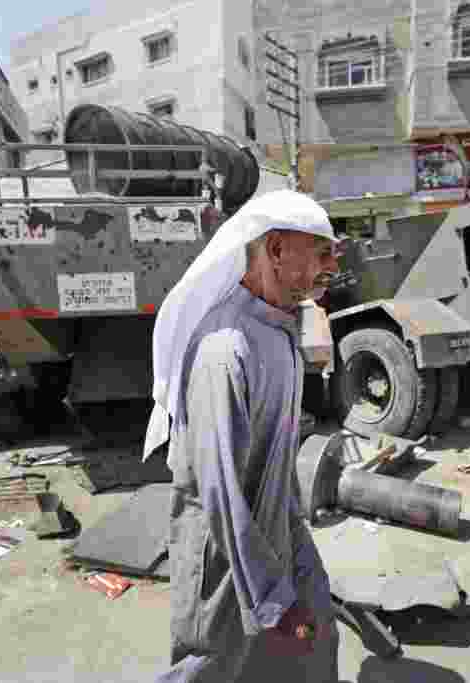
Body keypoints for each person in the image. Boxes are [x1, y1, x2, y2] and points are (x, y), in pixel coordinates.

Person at [144, 190, 343, 682]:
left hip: (280, 524)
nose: (332, 267)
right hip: (223, 546)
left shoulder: (276, 331)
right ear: (276, 250)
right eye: (321, 252)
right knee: (209, 664)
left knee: (317, 633)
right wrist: (270, 594)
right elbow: (221, 491)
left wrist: (290, 541)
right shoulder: (225, 349)